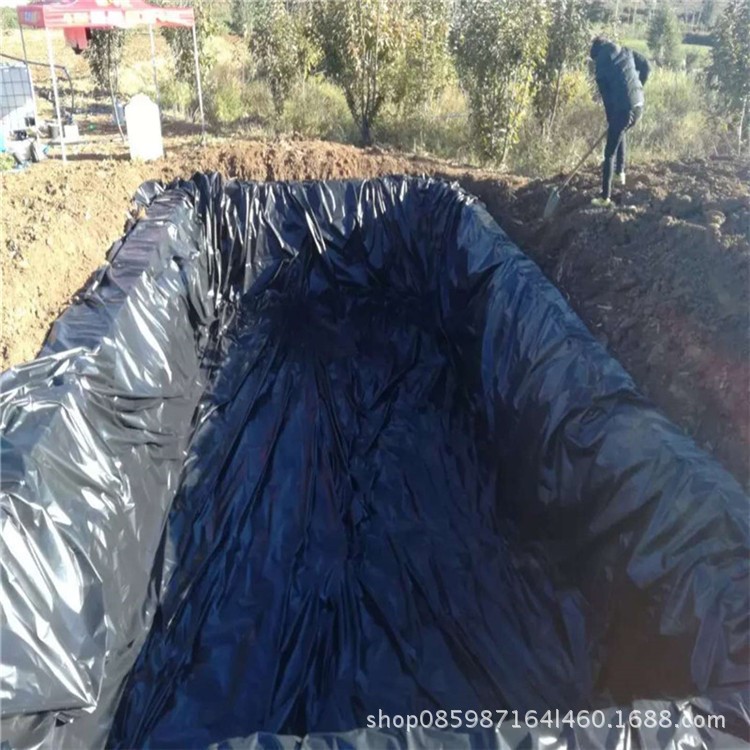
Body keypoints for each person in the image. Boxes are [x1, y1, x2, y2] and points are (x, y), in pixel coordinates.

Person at [589, 37, 650, 207]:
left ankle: (604, 198)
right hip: (639, 106)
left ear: (596, 54)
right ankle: (619, 173)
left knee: (609, 153)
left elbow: (607, 98)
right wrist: (637, 88)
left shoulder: (601, 64)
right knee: (620, 130)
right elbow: (647, 66)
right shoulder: (626, 50)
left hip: (623, 109)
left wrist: (610, 119)